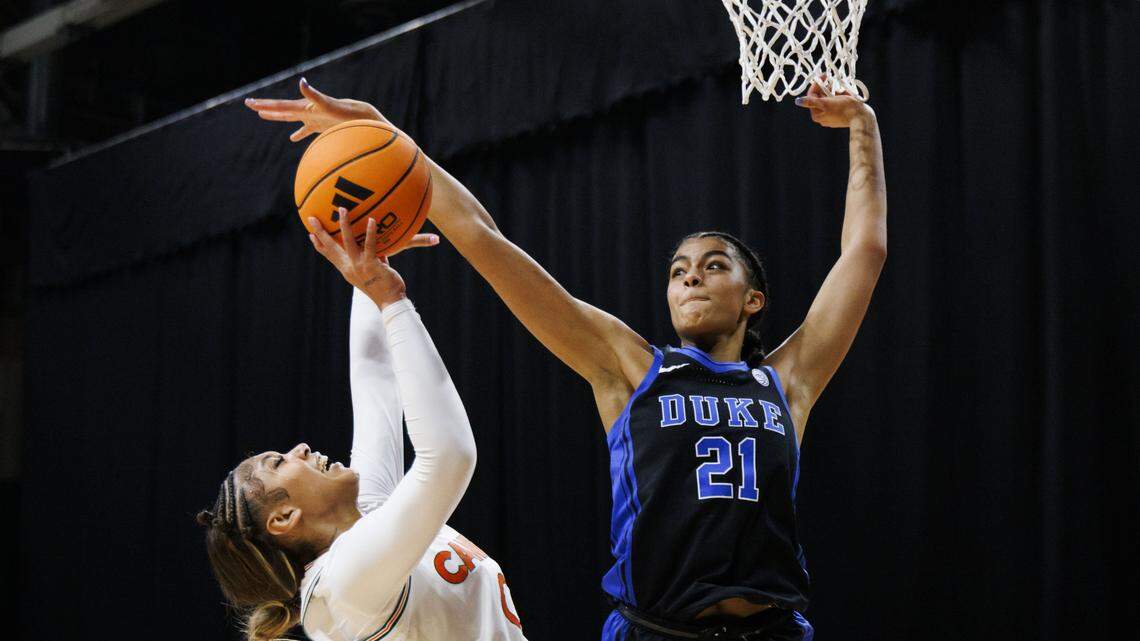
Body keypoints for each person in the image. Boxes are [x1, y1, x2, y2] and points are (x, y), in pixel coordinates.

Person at [247, 76, 886, 641]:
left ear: (754, 300)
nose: (689, 278)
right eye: (677, 270)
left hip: (774, 631)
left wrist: (864, 129)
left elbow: (865, 253)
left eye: (712, 266)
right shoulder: (629, 367)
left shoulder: (787, 382)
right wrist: (393, 145)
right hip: (659, 632)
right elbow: (481, 235)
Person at [196, 212, 526, 641]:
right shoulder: (344, 585)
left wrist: (370, 265)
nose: (298, 448)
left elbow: (376, 376)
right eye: (278, 463)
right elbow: (449, 456)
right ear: (284, 518)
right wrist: (391, 300)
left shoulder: (363, 524)